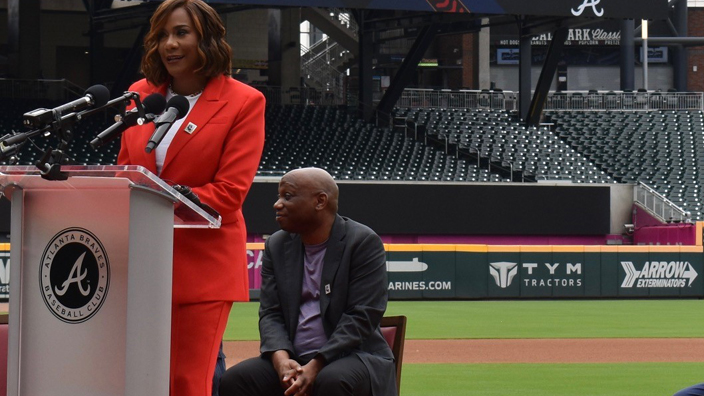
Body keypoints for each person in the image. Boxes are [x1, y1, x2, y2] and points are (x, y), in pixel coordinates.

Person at [117, 0, 265, 395]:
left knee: (185, 383)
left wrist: (165, 199)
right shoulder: (139, 95)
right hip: (140, 264)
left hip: (203, 266)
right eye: (162, 34)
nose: (169, 43)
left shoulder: (244, 102)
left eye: (181, 33)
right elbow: (124, 172)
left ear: (208, 39)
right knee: (138, 380)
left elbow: (230, 192)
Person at [219, 167, 397, 396]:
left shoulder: (362, 242)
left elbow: (362, 315)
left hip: (355, 356)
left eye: (288, 196)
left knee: (332, 380)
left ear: (320, 201)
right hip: (293, 357)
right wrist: (281, 361)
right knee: (236, 380)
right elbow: (271, 313)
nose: (277, 204)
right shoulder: (277, 244)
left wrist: (316, 364)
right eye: (279, 196)